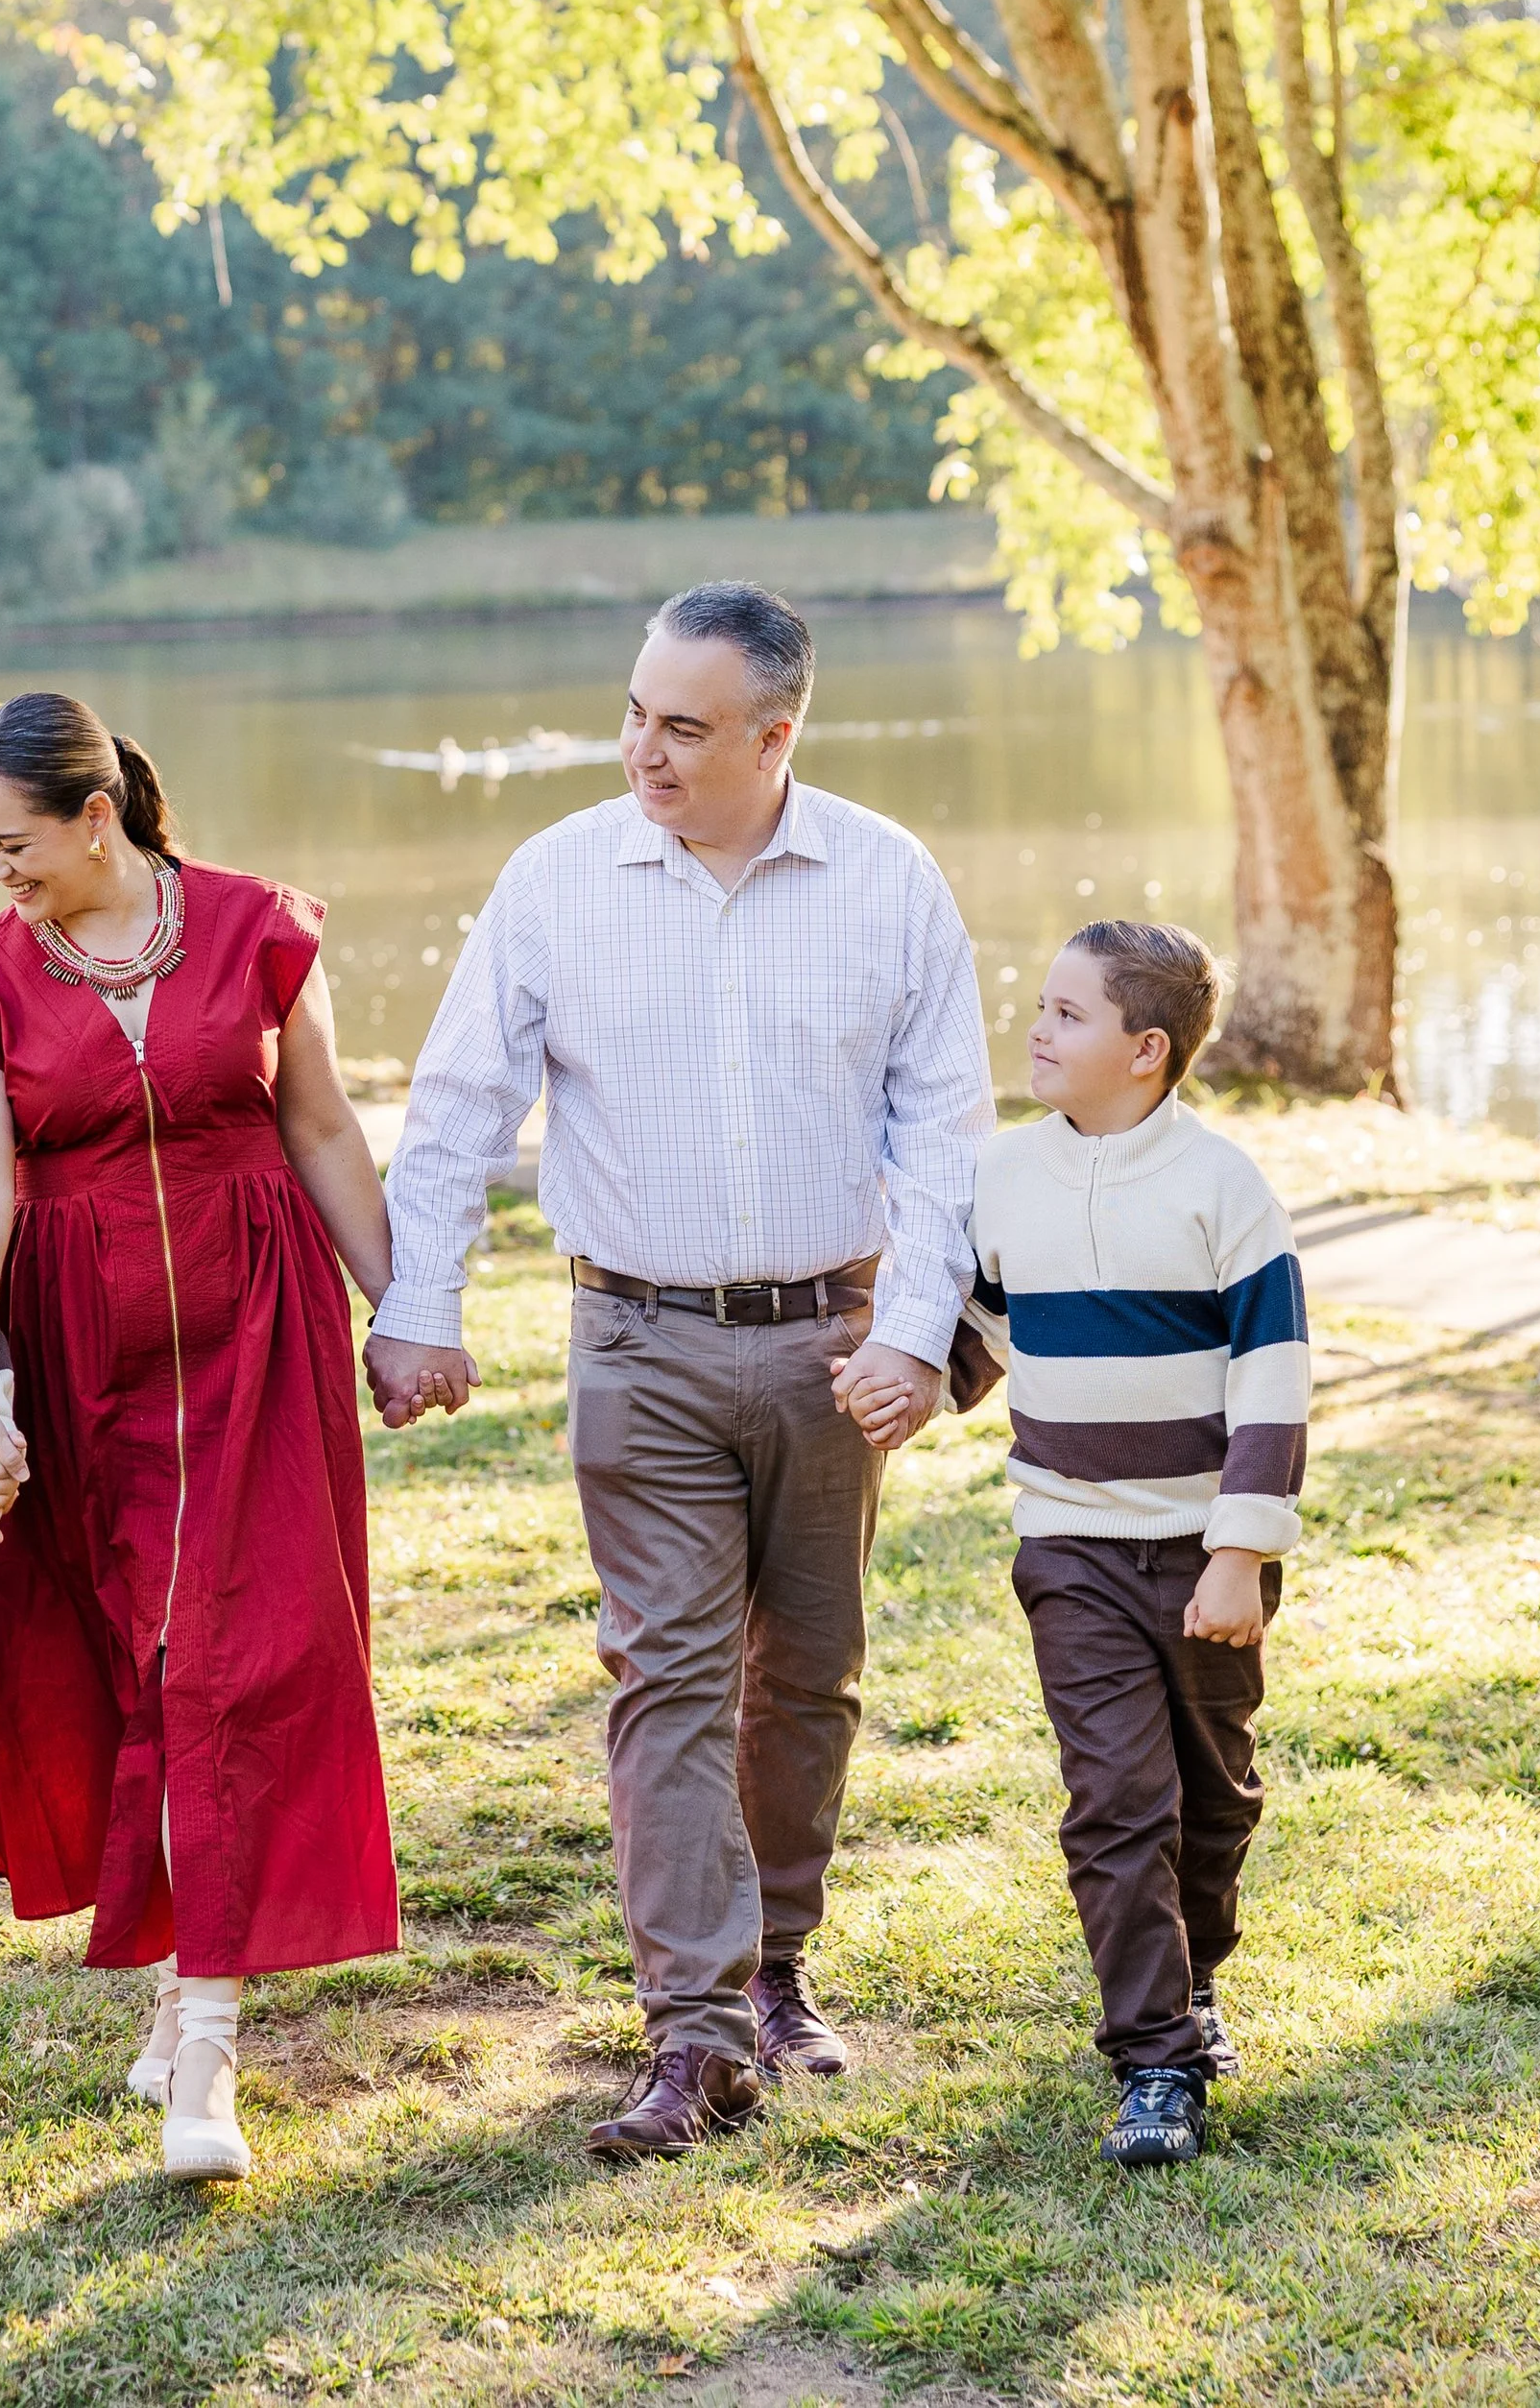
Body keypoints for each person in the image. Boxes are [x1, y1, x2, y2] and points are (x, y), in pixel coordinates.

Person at [370, 583, 993, 2161]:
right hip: (633, 1338)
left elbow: (946, 1136)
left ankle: (777, 1969)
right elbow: (457, 1106)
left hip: (834, 1342)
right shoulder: (556, 879)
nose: (642, 747)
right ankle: (697, 2038)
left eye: (685, 727)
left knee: (810, 1679)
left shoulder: (889, 881)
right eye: (637, 711)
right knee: (664, 1675)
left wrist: (918, 1335)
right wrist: (419, 1305)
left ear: (776, 737)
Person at [0, 690, 406, 2184]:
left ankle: (205, 2044)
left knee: (247, 1655)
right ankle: (192, 1967)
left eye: (12, 841)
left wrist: (408, 1306)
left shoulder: (256, 927)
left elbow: (317, 1126)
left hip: (261, 1336)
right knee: (136, 1661)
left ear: (98, 815)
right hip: (76, 1360)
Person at [956, 920, 1310, 2171]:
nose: (1036, 1029)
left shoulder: (1221, 1187)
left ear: (1145, 1049)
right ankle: (1155, 2053)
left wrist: (1239, 1549)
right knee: (1117, 1798)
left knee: (1213, 1799)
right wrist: (900, 1386)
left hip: (1202, 1550)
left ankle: (1192, 1974)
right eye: (1039, 1004)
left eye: (1066, 1013)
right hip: (1073, 1545)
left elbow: (1273, 1379)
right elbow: (987, 1326)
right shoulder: (1004, 1174)